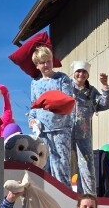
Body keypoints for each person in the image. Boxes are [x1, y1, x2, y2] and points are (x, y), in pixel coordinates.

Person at [27, 45, 77, 183]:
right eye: (42, 62)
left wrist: (50, 103)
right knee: (44, 169)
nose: (46, 64)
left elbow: (68, 101)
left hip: (61, 130)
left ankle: (64, 202)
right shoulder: (34, 84)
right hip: (42, 132)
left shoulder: (62, 79)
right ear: (37, 65)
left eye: (48, 60)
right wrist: (31, 120)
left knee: (61, 168)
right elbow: (33, 106)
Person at [69, 61, 109, 194]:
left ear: (87, 75)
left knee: (87, 166)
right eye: (78, 71)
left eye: (84, 72)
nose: (81, 74)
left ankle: (90, 196)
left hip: (84, 135)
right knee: (64, 164)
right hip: (66, 132)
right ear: (74, 73)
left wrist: (105, 86)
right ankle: (62, 194)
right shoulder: (66, 87)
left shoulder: (91, 91)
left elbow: (106, 104)